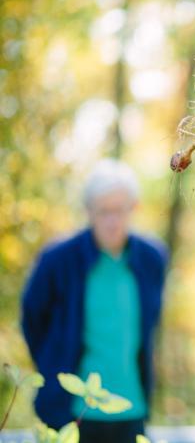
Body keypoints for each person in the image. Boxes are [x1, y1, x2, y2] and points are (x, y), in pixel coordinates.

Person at [21, 159, 168, 443]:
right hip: (70, 412)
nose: (113, 221)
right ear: (89, 212)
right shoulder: (57, 260)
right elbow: (32, 320)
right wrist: (54, 366)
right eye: (103, 212)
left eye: (120, 211)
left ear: (133, 208)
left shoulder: (152, 258)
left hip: (131, 407)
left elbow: (150, 327)